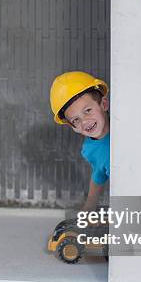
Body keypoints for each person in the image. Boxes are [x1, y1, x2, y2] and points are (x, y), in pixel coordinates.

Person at [49, 71, 110, 212]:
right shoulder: (90, 150)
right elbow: (98, 174)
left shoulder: (127, 128)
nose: (85, 121)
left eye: (87, 110)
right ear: (72, 127)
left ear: (104, 104)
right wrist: (89, 206)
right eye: (76, 120)